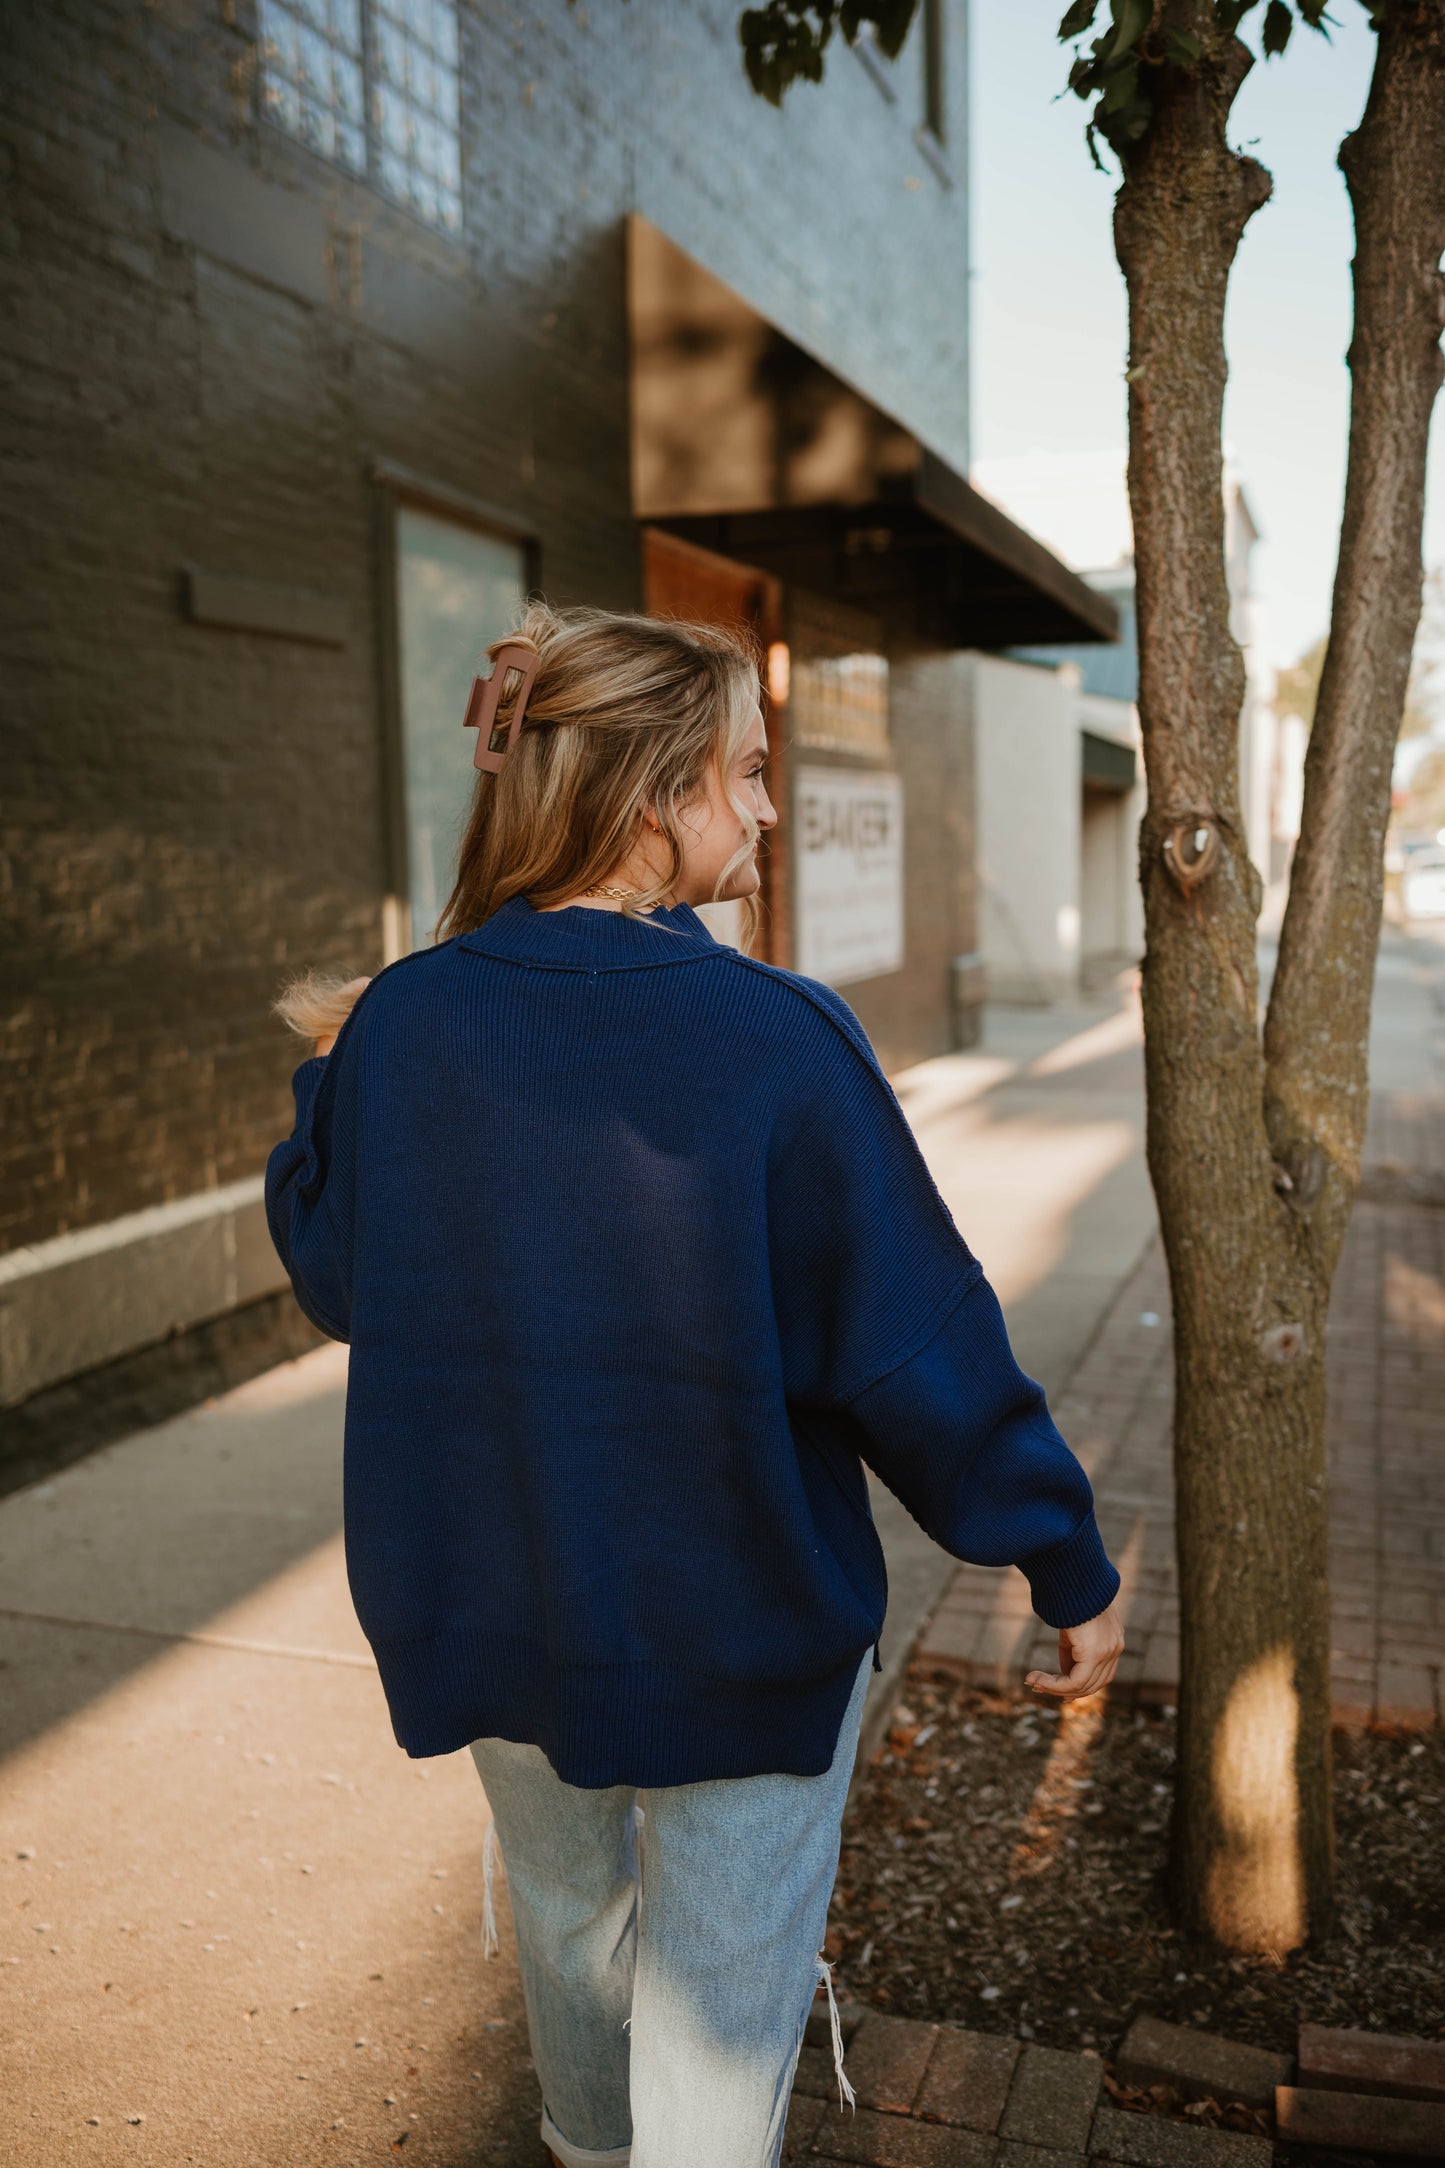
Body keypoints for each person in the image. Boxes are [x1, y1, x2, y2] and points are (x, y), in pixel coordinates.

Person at [265, 602, 1124, 2168]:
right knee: (718, 2006)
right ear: (654, 796)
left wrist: (338, 1082)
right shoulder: (781, 1037)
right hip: (737, 1619)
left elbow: (338, 1274)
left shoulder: (403, 1024)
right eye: (744, 769)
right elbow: (913, 1344)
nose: (770, 805)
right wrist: (1056, 1553)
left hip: (490, 1606)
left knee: (567, 1931)